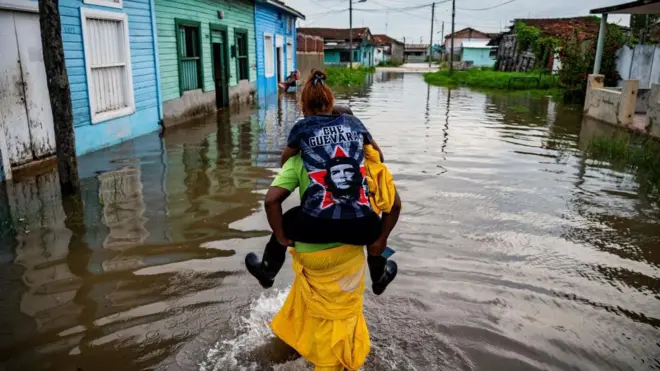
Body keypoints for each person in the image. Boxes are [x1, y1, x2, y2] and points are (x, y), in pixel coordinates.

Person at [246, 69, 399, 295]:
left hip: (314, 226)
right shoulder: (353, 123)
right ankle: (379, 276)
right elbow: (381, 160)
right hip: (362, 228)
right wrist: (381, 239)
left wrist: (281, 236)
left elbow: (272, 199)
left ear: (303, 107)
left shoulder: (302, 127)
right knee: (376, 224)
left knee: (286, 218)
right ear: (331, 101)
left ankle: (268, 272)